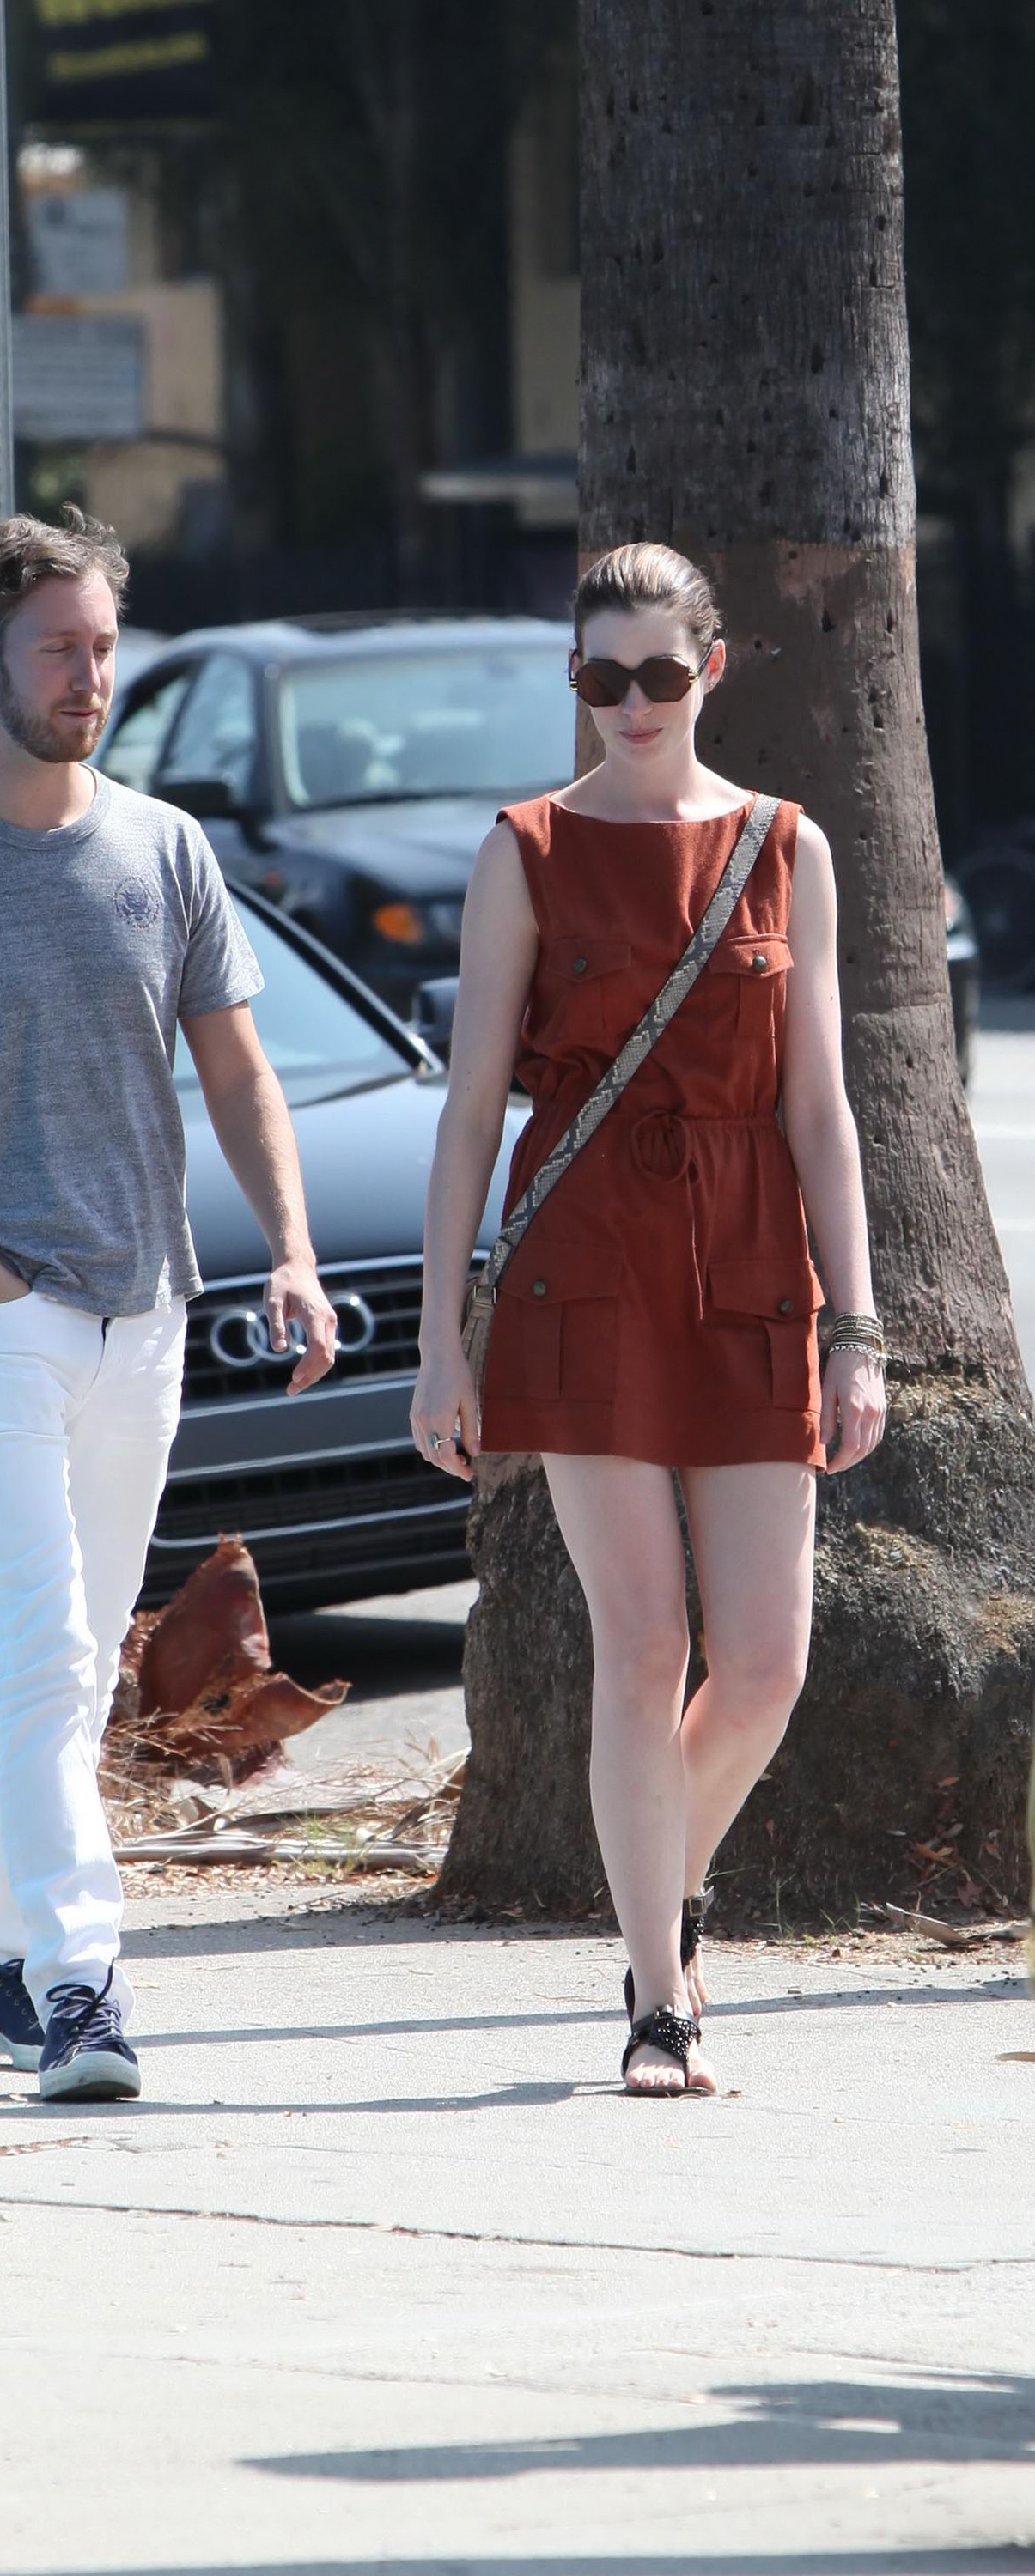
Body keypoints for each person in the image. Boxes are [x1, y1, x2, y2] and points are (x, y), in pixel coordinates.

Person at [0, 509, 338, 2102]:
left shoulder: (165, 847)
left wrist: (290, 1251)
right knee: (52, 1645)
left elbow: (238, 1069)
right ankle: (84, 1987)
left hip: (146, 1308)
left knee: (74, 1664)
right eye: (59, 650)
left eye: (105, 648)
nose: (91, 677)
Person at [411, 542, 886, 2099]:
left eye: (660, 673)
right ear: (575, 679)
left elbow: (820, 1109)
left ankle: (656, 1897)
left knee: (764, 1665)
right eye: (600, 676)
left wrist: (858, 1327)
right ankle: (659, 1995)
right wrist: (440, 1339)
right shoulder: (527, 849)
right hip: (585, 1264)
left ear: (713, 670)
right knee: (643, 1640)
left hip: (753, 1268)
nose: (631, 703)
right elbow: (469, 1112)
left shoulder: (786, 845)